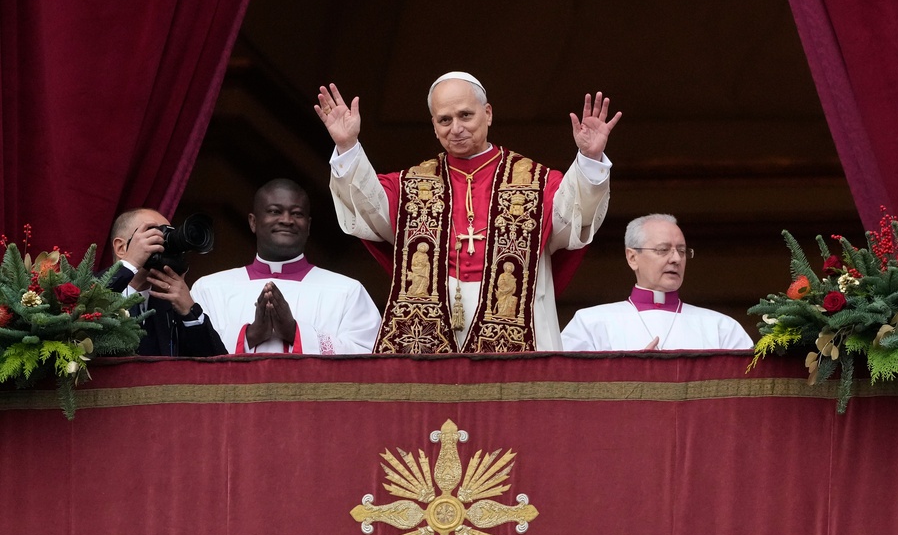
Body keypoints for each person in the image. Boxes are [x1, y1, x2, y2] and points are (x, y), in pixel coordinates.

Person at [317, 72, 622, 353]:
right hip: (431, 315)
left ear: (487, 114)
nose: (456, 128)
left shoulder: (535, 182)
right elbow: (370, 209)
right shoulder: (411, 184)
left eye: (465, 115)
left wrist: (590, 157)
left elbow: (573, 216)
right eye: (444, 120)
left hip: (515, 315)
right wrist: (348, 146)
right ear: (434, 127)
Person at [190, 179, 381, 354]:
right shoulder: (209, 289)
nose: (287, 220)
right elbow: (189, 354)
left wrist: (294, 332)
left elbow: (369, 358)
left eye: (297, 214)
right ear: (253, 222)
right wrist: (251, 335)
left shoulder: (347, 291)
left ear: (308, 225)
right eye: (275, 211)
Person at [561, 213, 754, 351]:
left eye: (681, 250)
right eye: (663, 250)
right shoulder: (590, 324)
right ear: (632, 258)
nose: (676, 259)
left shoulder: (722, 328)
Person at [108, 208, 228, 356]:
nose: (163, 244)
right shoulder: (85, 290)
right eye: (153, 235)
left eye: (166, 235)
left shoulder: (170, 307)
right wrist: (129, 265)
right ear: (121, 248)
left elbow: (217, 367)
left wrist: (190, 313)